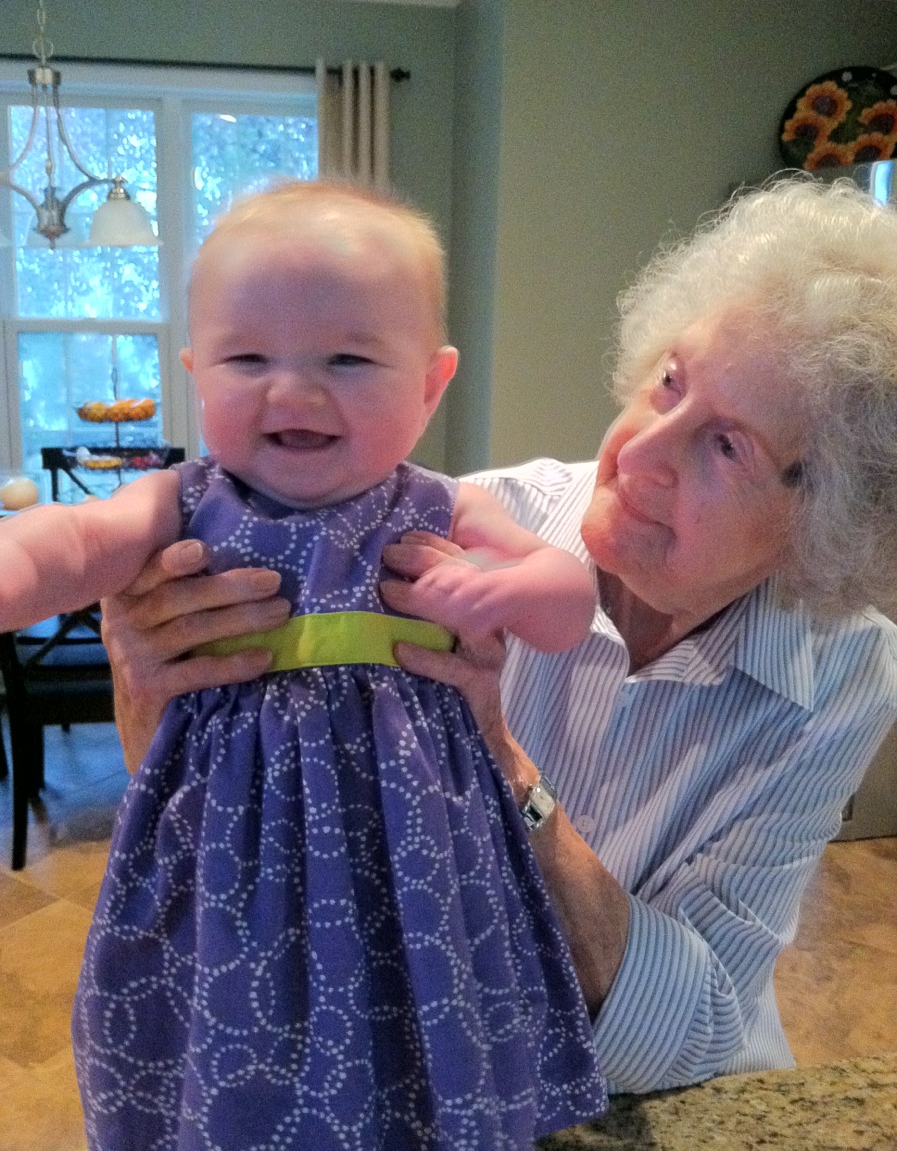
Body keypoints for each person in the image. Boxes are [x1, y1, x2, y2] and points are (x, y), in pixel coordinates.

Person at [103, 176, 897, 1099]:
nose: (637, 451)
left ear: (830, 518)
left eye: (728, 445)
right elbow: (231, 845)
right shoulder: (430, 533)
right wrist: (155, 688)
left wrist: (497, 760)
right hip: (418, 1064)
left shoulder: (844, 671)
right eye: (668, 383)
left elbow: (696, 1029)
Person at [0, 181, 608, 1149]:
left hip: (420, 858)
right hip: (229, 861)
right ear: (197, 372)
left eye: (348, 358)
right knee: (234, 1035)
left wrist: (496, 589)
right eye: (247, 358)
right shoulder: (179, 503)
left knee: (422, 1030)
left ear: (431, 385)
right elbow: (65, 543)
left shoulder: (442, 509)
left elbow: (568, 599)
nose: (291, 391)